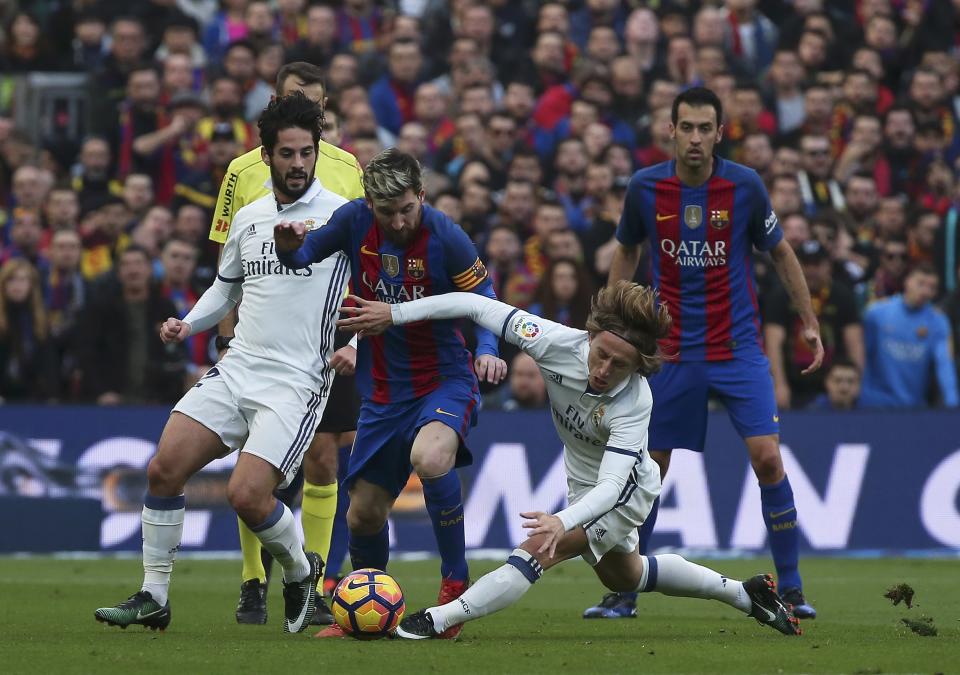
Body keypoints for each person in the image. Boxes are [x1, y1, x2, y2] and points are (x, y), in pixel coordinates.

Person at [335, 283, 801, 640]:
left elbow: (613, 487)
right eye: (600, 355)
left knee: (540, 551)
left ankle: (437, 620)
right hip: (584, 481)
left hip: (624, 491)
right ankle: (746, 594)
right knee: (627, 573)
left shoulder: (635, 403)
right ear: (591, 337)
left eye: (619, 365)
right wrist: (394, 314)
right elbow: (475, 305)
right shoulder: (554, 341)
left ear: (638, 366)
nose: (603, 370)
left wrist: (562, 521)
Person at [94, 92, 349, 635]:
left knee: (247, 495)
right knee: (163, 469)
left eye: (307, 152)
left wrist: (355, 343)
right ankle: (154, 596)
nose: (298, 163)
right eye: (287, 154)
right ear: (267, 157)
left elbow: (373, 289)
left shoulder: (342, 219)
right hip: (239, 368)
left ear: (317, 151)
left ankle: (301, 575)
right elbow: (225, 288)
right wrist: (188, 322)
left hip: (298, 381)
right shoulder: (249, 217)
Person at [587, 87, 824, 620]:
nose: (695, 138)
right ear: (670, 130)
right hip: (671, 353)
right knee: (650, 468)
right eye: (686, 127)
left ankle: (791, 587)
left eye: (705, 128)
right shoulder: (646, 188)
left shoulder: (745, 186)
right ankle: (626, 589)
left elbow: (780, 250)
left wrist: (807, 318)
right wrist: (606, 320)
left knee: (767, 458)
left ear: (720, 133)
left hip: (738, 349)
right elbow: (627, 248)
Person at [274, 148, 507, 639]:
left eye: (406, 208)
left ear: (420, 195)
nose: (399, 221)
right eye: (387, 212)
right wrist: (284, 243)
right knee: (362, 515)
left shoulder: (447, 236)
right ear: (369, 204)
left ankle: (454, 590)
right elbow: (301, 256)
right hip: (382, 392)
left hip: (445, 379)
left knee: (430, 456)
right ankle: (368, 606)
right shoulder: (353, 222)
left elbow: (484, 302)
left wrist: (487, 348)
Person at [207, 61, 364, 627]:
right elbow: (227, 262)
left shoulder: (349, 171)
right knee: (256, 468)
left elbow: (365, 258)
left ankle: (314, 577)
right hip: (257, 343)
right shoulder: (240, 171)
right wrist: (223, 337)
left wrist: (355, 337)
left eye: (314, 107)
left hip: (325, 338)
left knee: (324, 457)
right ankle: (254, 580)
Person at [860, 264, 958, 408]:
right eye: (921, 284)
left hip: (914, 406)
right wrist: (861, 395)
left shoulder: (938, 322)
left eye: (932, 288)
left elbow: (944, 364)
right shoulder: (877, 313)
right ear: (907, 281)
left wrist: (953, 403)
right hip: (874, 404)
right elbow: (863, 356)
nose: (925, 291)